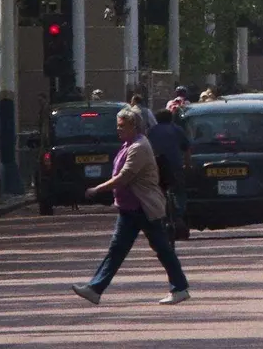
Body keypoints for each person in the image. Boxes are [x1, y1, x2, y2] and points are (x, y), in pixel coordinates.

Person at [73, 105, 189, 305]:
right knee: (117, 249)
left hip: (143, 207)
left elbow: (125, 177)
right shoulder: (128, 145)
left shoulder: (139, 147)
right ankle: (95, 288)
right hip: (129, 208)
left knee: (162, 248)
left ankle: (179, 288)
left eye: (122, 126)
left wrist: (97, 189)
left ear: (134, 127)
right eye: (117, 126)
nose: (118, 130)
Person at [146, 106, 191, 237]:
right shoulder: (177, 129)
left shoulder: (151, 131)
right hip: (175, 166)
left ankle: (159, 216)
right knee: (179, 191)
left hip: (156, 166)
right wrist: (187, 165)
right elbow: (187, 149)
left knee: (157, 192)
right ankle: (179, 216)